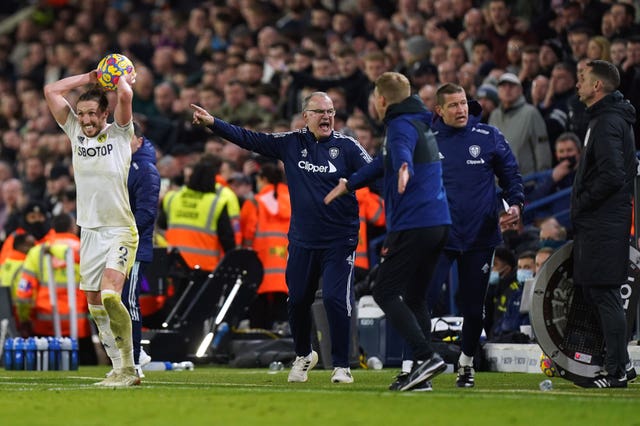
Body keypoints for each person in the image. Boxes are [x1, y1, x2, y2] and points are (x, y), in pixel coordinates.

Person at [192, 91, 372, 384]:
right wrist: (214, 123)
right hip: (302, 240)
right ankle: (304, 354)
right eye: (319, 111)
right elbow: (249, 138)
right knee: (298, 299)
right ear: (306, 116)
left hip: (340, 239)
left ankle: (342, 365)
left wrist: (353, 182)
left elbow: (374, 171)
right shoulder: (291, 143)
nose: (326, 117)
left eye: (330, 112)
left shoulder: (348, 146)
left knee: (336, 300)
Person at [324, 72, 450, 391]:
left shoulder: (399, 126)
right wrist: (349, 183)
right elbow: (382, 163)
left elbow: (400, 152)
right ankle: (421, 374)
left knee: (383, 291)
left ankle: (426, 356)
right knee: (416, 297)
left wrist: (404, 167)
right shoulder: (420, 120)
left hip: (413, 223)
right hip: (438, 222)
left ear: (381, 100)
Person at [44, 68, 140, 386]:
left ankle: (129, 369)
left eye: (91, 114)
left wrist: (122, 79)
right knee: (95, 304)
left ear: (104, 113)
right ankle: (116, 367)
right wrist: (88, 77)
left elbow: (125, 96)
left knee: (111, 297)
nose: (85, 119)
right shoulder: (73, 131)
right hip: (89, 232)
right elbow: (51, 91)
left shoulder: (120, 133)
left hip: (120, 230)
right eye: (81, 113)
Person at [429, 83, 524, 387]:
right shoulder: (426, 141)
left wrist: (516, 204)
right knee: (425, 300)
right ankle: (415, 363)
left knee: (473, 307)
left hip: (480, 234)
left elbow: (511, 176)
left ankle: (466, 362)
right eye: (453, 105)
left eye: (463, 104)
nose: (461, 110)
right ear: (439, 110)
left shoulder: (488, 136)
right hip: (439, 235)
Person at [572, 60, 637, 388]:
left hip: (604, 221)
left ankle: (617, 371)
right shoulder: (603, 118)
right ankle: (622, 364)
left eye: (583, 79)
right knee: (598, 291)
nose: (578, 83)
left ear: (597, 86)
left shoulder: (608, 120)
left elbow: (613, 175)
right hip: (602, 220)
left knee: (606, 293)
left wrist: (582, 203)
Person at [15, 213, 95, 364]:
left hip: (45, 326)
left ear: (53, 228)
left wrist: (24, 319)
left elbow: (24, 293)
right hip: (79, 327)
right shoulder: (84, 250)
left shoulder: (37, 252)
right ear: (74, 228)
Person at [120, 122, 160, 377]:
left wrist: (123, 234)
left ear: (138, 139)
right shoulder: (122, 162)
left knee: (128, 300)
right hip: (118, 242)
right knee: (113, 300)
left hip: (135, 244)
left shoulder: (145, 169)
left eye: (127, 138)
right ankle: (137, 354)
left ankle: (134, 359)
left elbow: (146, 213)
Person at [161, 153, 239, 272]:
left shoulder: (172, 198)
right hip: (204, 266)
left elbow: (162, 224)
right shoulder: (216, 203)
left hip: (174, 263)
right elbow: (227, 238)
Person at [241, 162, 290, 331]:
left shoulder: (254, 203)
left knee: (259, 323)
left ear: (263, 179)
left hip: (260, 270)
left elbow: (246, 237)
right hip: (287, 269)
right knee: (285, 320)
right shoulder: (294, 201)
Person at [489, 72, 551, 176]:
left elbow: (542, 150)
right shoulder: (494, 115)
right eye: (503, 86)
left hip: (525, 183)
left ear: (520, 90)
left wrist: (543, 180)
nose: (507, 89)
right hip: (499, 185)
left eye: (512, 86)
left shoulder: (531, 113)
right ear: (498, 91)